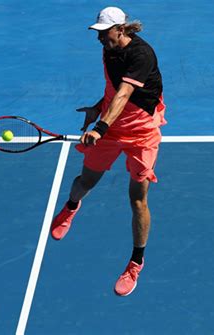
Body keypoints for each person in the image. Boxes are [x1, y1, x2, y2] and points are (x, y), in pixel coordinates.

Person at [50, 6, 167, 297]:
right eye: (98, 33)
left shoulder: (142, 55)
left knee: (137, 200)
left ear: (122, 29)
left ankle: (135, 263)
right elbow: (113, 90)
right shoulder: (109, 50)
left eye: (104, 33)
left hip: (141, 134)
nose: (100, 39)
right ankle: (71, 207)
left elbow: (126, 93)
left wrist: (100, 127)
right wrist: (97, 108)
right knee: (85, 182)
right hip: (111, 127)